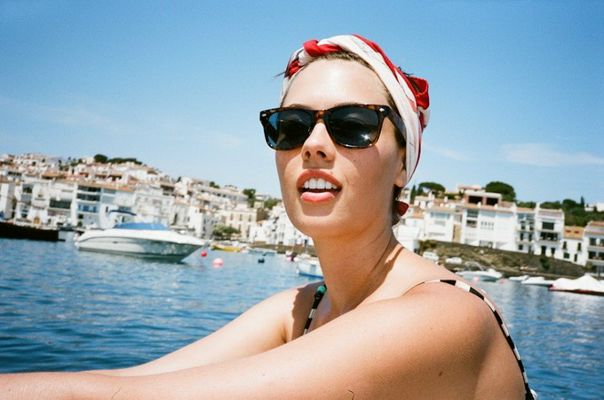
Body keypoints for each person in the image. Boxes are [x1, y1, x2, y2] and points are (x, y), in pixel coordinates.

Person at [0, 34, 535, 399]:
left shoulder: (443, 317)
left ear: (402, 164)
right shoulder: (303, 309)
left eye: (353, 124)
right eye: (291, 126)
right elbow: (135, 380)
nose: (314, 145)